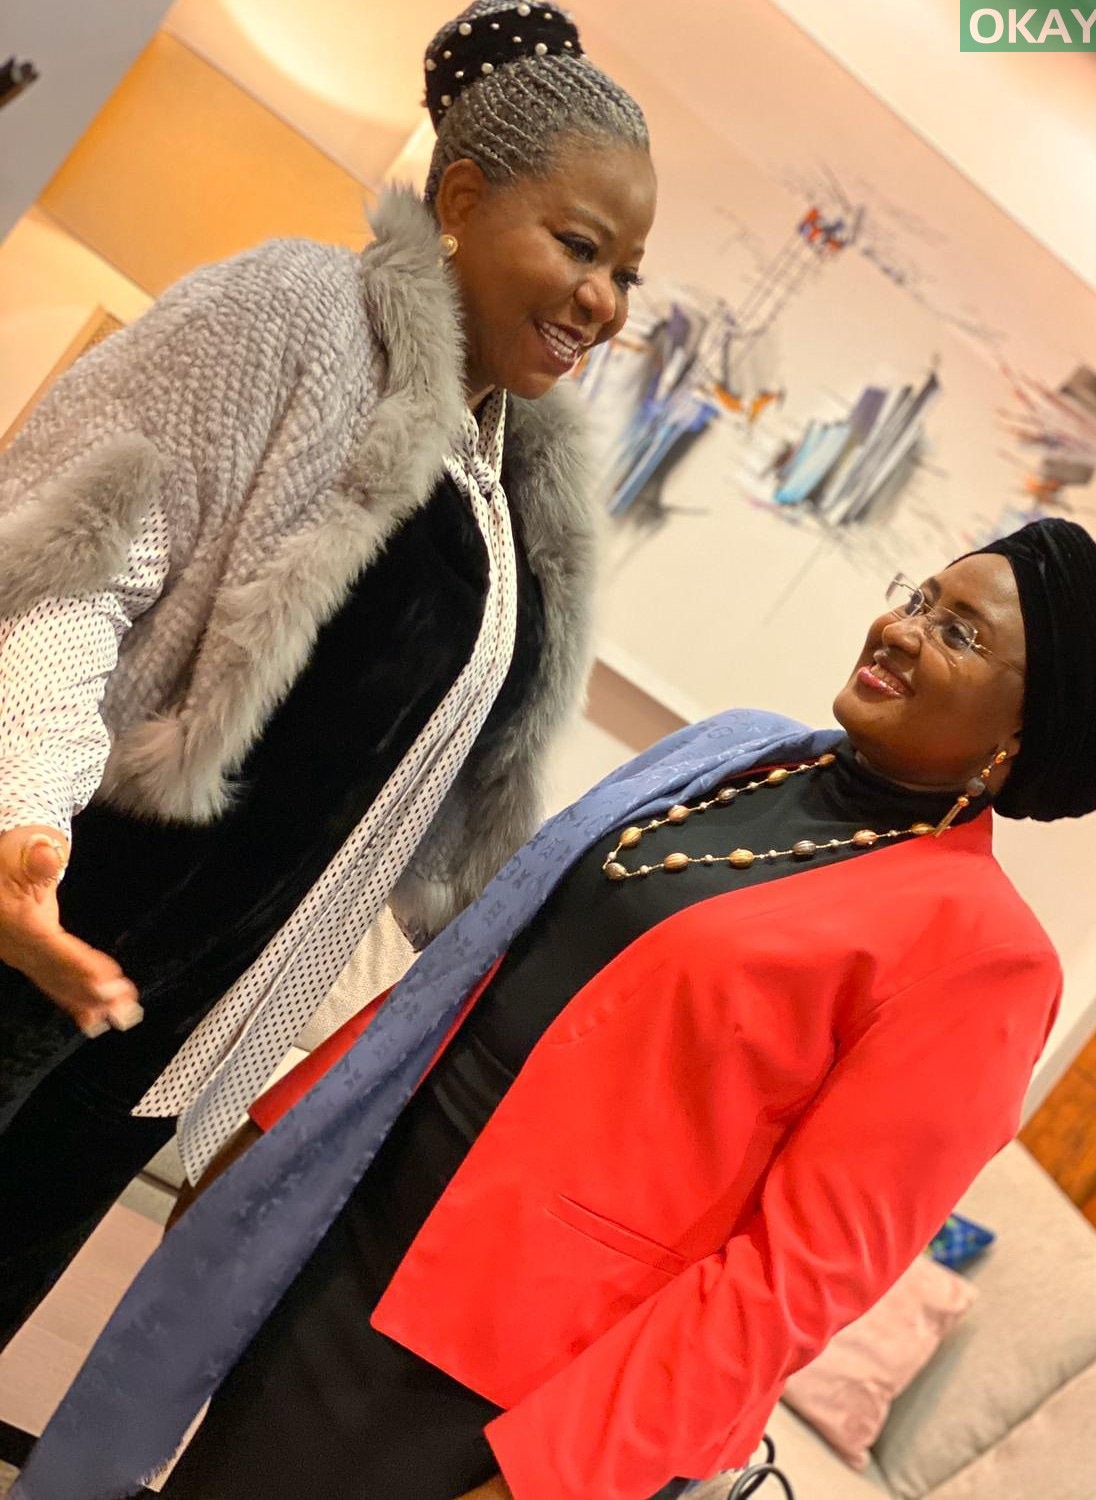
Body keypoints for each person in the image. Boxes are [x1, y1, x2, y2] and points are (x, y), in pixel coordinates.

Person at [13, 519, 1096, 1500]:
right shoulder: (740, 753)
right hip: (348, 1221)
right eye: (922, 596)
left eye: (961, 634)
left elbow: (790, 1283)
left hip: (489, 1372)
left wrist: (550, 1475)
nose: (906, 631)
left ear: (1020, 743)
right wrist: (283, 1129)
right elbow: (488, 957)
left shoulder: (984, 958)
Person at [0, 0, 655, 1350]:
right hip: (43, 922)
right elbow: (73, 565)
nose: (605, 300)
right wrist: (20, 818)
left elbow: (409, 792)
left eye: (630, 272)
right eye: (582, 246)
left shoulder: (503, 476)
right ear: (463, 198)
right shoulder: (291, 311)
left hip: (150, 1023)